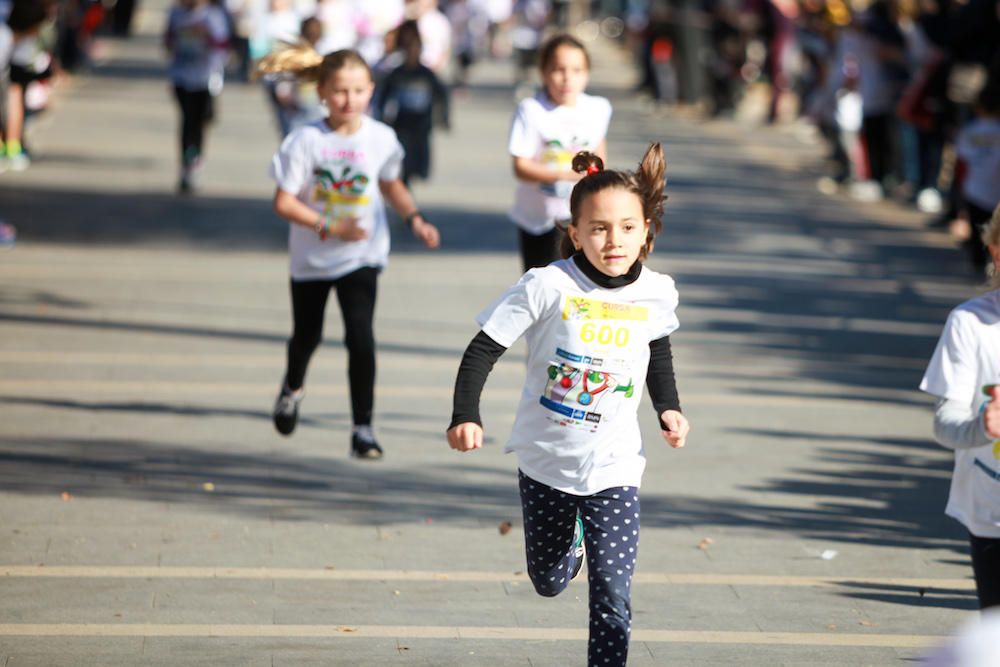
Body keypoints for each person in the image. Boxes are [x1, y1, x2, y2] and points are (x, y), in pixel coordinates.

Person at [447, 144, 690, 667]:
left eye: (627, 227)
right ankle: (568, 549)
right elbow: (484, 348)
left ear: (646, 230)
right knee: (549, 582)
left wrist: (668, 407)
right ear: (575, 232)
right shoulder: (547, 285)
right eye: (599, 228)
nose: (614, 240)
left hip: (615, 466)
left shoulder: (656, 292)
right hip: (545, 462)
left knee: (612, 598)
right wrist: (466, 414)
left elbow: (658, 347)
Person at [258, 47, 441, 459]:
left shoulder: (380, 138)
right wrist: (329, 226)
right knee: (307, 336)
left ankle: (363, 429)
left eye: (358, 90)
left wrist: (414, 217)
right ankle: (292, 387)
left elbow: (391, 183)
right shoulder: (305, 140)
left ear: (371, 91)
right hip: (312, 257)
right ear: (322, 92)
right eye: (339, 91)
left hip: (363, 254)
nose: (349, 99)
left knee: (360, 337)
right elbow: (283, 202)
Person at [920, 202, 1000, 611]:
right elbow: (946, 424)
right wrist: (982, 427)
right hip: (993, 511)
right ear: (996, 251)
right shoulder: (971, 323)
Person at [508, 33, 612, 272]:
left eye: (577, 70)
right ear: (543, 72)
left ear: (587, 73)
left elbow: (600, 160)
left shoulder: (598, 109)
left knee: (581, 292)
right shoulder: (532, 110)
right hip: (539, 220)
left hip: (582, 218)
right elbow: (521, 168)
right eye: (558, 69)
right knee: (545, 292)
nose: (567, 78)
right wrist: (567, 174)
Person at [164, 0, 230, 193]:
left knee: (201, 121)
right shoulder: (175, 14)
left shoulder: (213, 15)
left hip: (206, 77)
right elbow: (168, 41)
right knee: (187, 120)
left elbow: (223, 44)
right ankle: (186, 163)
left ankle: (195, 161)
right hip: (181, 76)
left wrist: (206, 37)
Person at [374, 19, 449, 186]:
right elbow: (385, 95)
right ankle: (404, 182)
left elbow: (441, 95)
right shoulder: (397, 73)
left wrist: (444, 118)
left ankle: (414, 175)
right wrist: (381, 117)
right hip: (402, 122)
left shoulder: (426, 74)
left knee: (420, 160)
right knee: (403, 157)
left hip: (421, 123)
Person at [953, 85, 1000, 273]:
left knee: (977, 225)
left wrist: (960, 184)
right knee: (994, 226)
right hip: (996, 187)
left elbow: (962, 160)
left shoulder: (970, 130)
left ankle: (978, 257)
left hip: (974, 186)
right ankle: (992, 259)